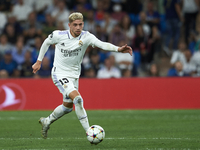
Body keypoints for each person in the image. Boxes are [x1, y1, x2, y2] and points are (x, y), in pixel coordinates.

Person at [32, 12, 132, 139]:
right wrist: (39, 61)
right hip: (59, 73)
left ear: (83, 24)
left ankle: (47, 121)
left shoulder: (86, 37)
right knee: (78, 99)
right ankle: (90, 132)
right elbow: (46, 42)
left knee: (67, 107)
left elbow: (102, 44)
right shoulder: (59, 35)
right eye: (75, 25)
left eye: (80, 24)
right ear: (69, 25)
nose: (78, 27)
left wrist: (118, 49)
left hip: (74, 76)